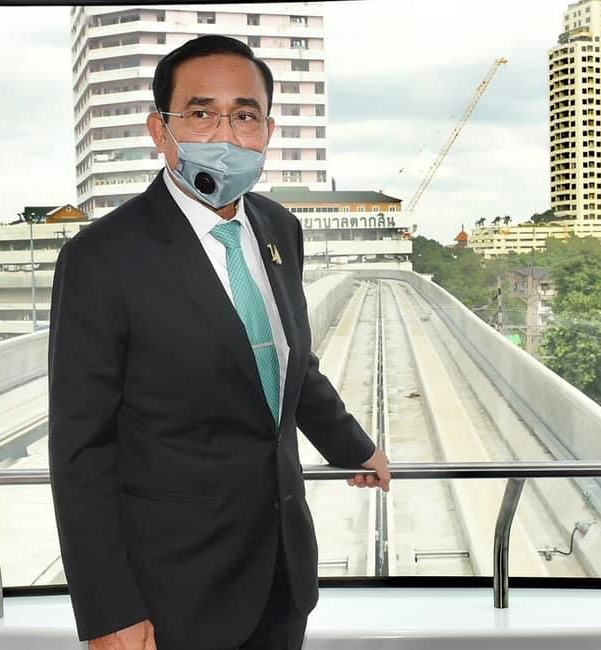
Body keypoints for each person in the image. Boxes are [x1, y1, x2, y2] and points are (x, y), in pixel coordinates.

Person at [48, 35, 391, 650]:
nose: (226, 135)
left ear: (267, 129)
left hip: (283, 568)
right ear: (161, 130)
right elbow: (81, 449)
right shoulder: (102, 258)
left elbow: (288, 359)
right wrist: (108, 612)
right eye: (201, 113)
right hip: (173, 588)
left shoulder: (278, 226)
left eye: (245, 115)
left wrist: (353, 447)